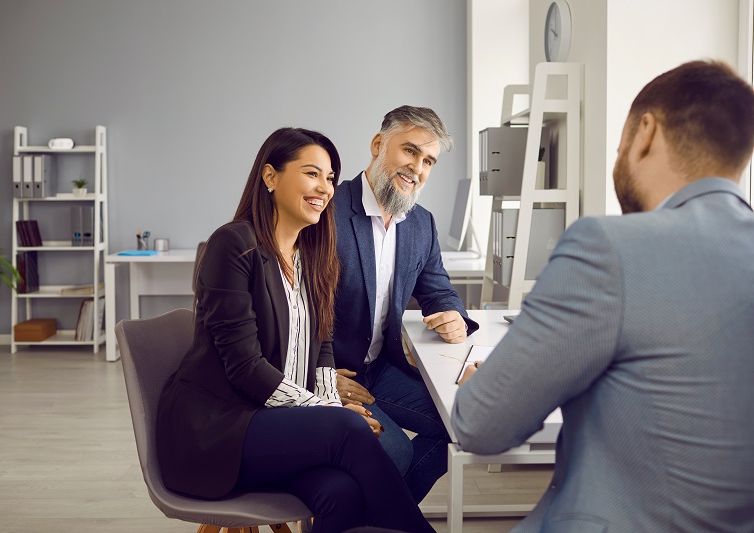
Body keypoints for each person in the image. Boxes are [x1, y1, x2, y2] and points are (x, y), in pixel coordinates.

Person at [453, 60, 754, 531]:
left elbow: (481, 425)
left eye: (619, 144)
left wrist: (478, 382)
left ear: (647, 133)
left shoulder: (610, 247)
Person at [156, 127, 435, 533]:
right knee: (349, 428)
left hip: (272, 427)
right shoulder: (234, 245)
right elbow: (245, 368)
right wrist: (328, 410)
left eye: (330, 178)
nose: (324, 188)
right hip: (218, 432)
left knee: (342, 493)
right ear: (270, 177)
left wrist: (327, 402)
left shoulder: (311, 254)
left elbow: (322, 348)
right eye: (312, 174)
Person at [333, 105, 480, 503]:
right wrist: (320, 377)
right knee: (395, 452)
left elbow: (439, 288)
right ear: (379, 144)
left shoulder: (420, 223)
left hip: (381, 368)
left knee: (464, 424)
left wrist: (455, 316)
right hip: (332, 374)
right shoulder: (326, 212)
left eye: (428, 160)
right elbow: (296, 308)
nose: (417, 167)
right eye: (410, 151)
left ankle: (363, 519)